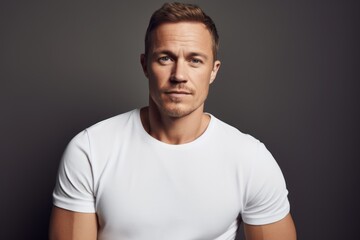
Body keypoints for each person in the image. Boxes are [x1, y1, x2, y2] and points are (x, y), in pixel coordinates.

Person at [49, 2, 296, 240]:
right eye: (165, 58)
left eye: (195, 60)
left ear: (213, 71)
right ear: (145, 65)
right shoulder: (91, 150)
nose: (179, 75)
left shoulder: (250, 160)